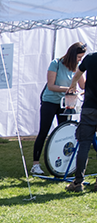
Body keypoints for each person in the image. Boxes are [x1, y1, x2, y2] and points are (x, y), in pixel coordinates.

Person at [31, 42, 87, 175]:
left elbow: (83, 85)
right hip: (50, 102)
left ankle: (61, 163)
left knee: (64, 133)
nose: (80, 60)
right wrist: (70, 89)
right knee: (44, 131)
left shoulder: (77, 67)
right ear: (73, 55)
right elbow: (51, 86)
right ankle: (35, 165)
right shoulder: (55, 63)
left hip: (65, 103)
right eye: (79, 57)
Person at [66, 49, 97, 193]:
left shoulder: (90, 58)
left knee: (84, 145)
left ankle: (78, 182)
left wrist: (72, 86)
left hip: (90, 108)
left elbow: (78, 74)